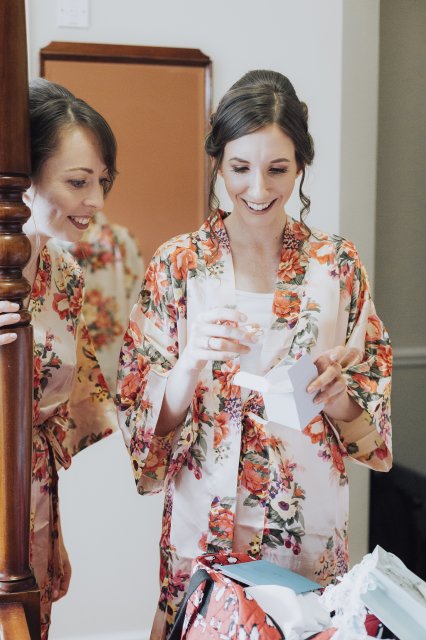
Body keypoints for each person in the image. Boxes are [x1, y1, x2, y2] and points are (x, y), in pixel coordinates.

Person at [117, 70, 392, 639]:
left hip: (306, 524)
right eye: (240, 168)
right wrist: (189, 363)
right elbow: (143, 416)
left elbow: (369, 412)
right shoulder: (178, 265)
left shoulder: (337, 265)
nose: (258, 188)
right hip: (204, 522)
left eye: (278, 169)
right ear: (217, 163)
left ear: (301, 165)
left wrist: (339, 397)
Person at [0, 78, 118, 639]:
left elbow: (57, 417)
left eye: (101, 181)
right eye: (77, 182)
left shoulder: (65, 275)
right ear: (24, 180)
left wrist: (51, 533)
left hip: (32, 507)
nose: (95, 201)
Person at [69, 211, 145, 393]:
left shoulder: (121, 240)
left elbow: (137, 304)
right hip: (105, 353)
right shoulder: (121, 240)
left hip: (107, 352)